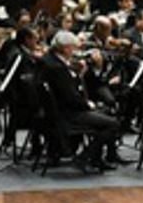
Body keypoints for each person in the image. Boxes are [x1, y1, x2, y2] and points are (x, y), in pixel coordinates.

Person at [40, 30, 121, 170]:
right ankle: (85, 157)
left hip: (59, 110)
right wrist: (87, 103)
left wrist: (78, 75)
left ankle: (97, 159)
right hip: (68, 114)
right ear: (66, 48)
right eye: (73, 47)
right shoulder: (58, 68)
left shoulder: (50, 60)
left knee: (106, 112)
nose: (75, 51)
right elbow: (71, 97)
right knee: (112, 123)